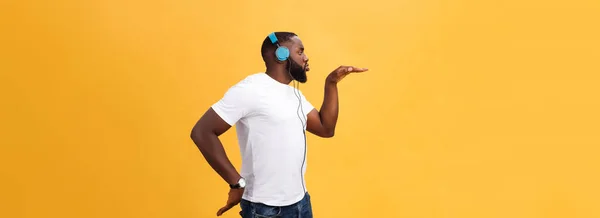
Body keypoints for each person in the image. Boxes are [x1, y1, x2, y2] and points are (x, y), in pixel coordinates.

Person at [190, 31, 367, 217]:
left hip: (301, 202)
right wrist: (236, 182)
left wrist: (331, 83)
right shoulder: (250, 89)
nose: (306, 58)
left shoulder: (294, 95)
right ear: (281, 55)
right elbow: (202, 132)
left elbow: (325, 128)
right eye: (300, 52)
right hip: (265, 209)